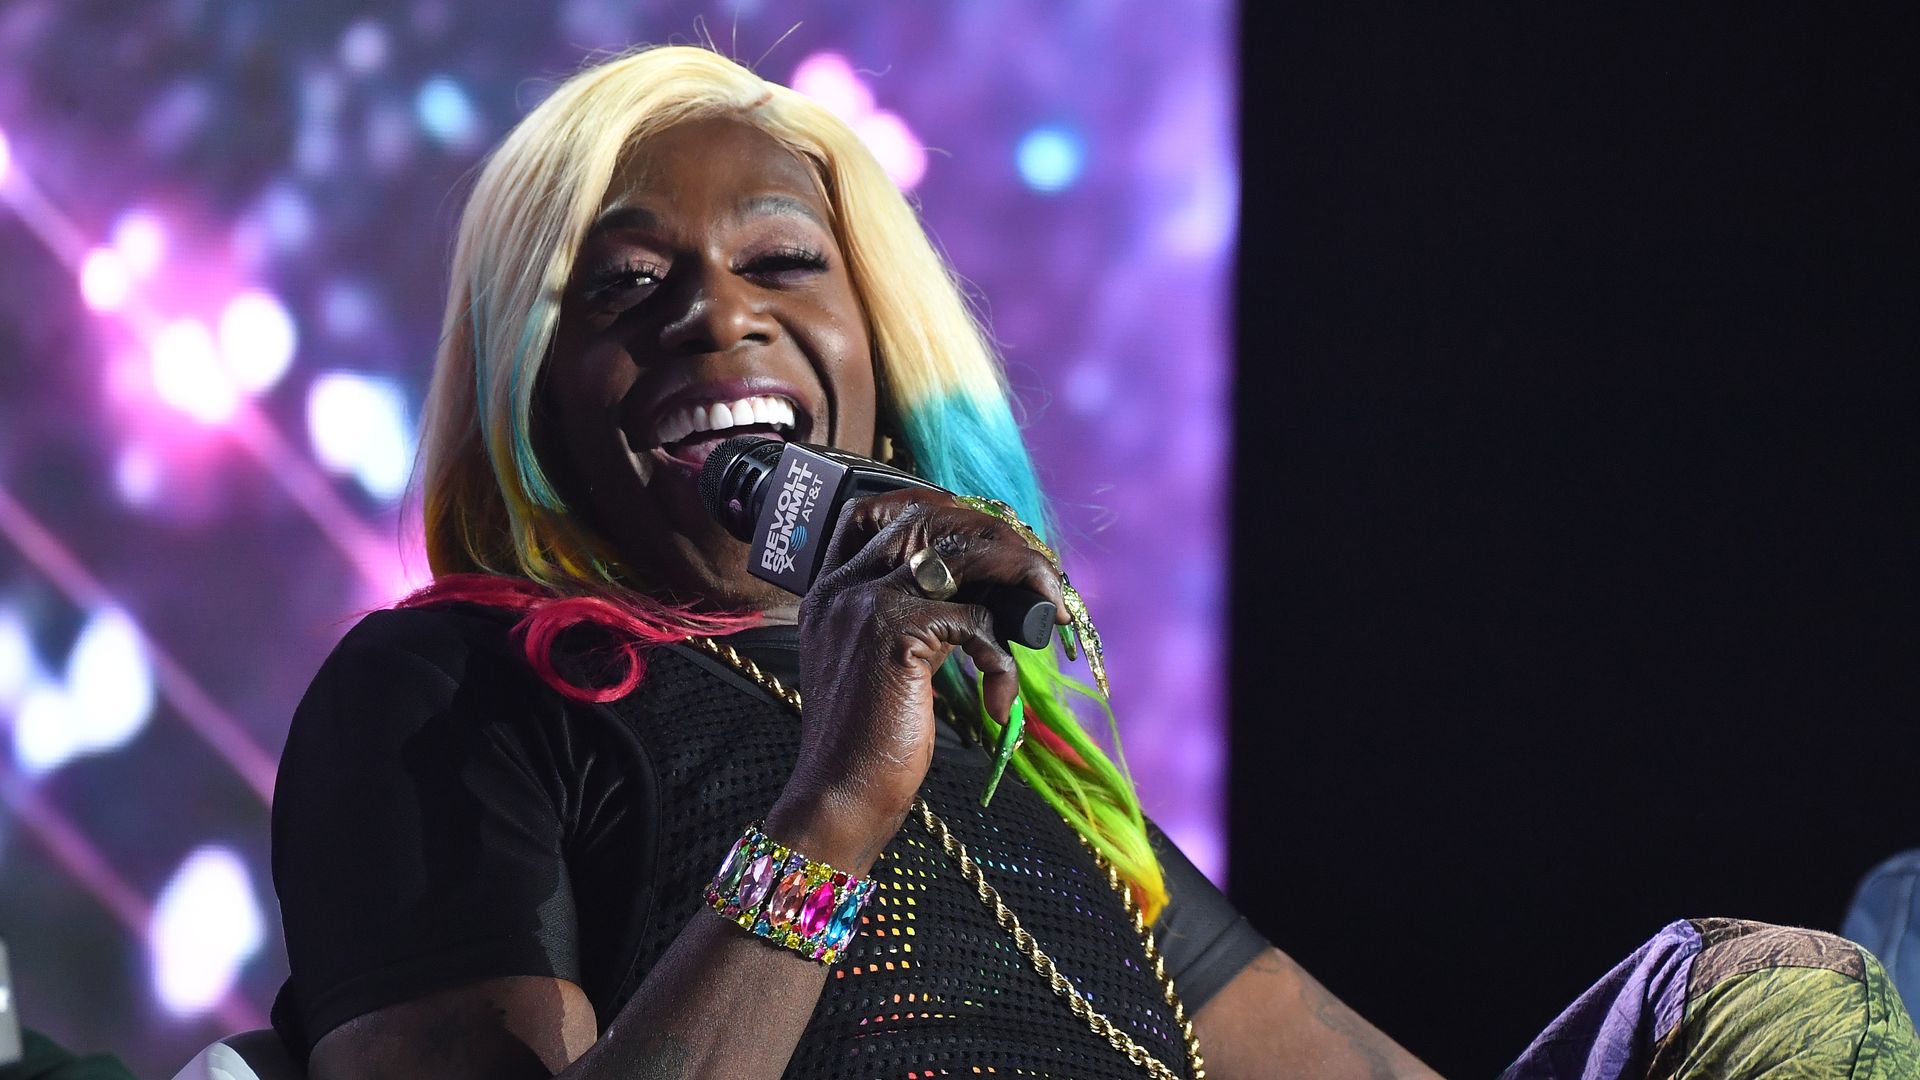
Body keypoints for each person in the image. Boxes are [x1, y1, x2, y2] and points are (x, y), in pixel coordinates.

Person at [267, 46, 1918, 1079]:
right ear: (525, 379)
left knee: (1792, 986)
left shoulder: (1002, 721)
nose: (718, 313)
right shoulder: (448, 694)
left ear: (873, 342)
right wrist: (837, 799)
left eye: (783, 261)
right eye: (623, 288)